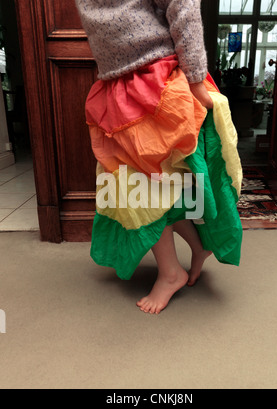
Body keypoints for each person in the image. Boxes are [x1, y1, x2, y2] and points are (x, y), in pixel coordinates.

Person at [76, 0, 243, 315]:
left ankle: (171, 273)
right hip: (119, 86)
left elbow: (183, 7)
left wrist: (195, 78)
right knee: (154, 186)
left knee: (145, 189)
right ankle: (198, 245)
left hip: (156, 82)